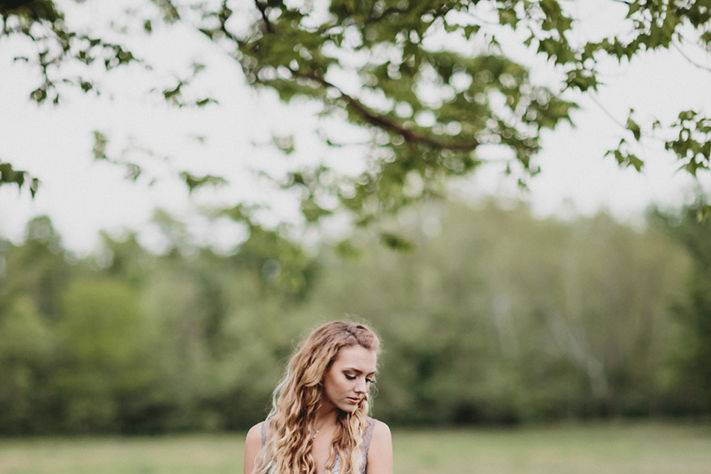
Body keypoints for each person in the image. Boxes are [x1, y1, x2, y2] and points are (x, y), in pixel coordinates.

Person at [243, 321, 393, 474]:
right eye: (351, 376)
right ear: (319, 370)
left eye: (368, 379)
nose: (362, 389)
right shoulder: (261, 437)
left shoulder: (373, 435)